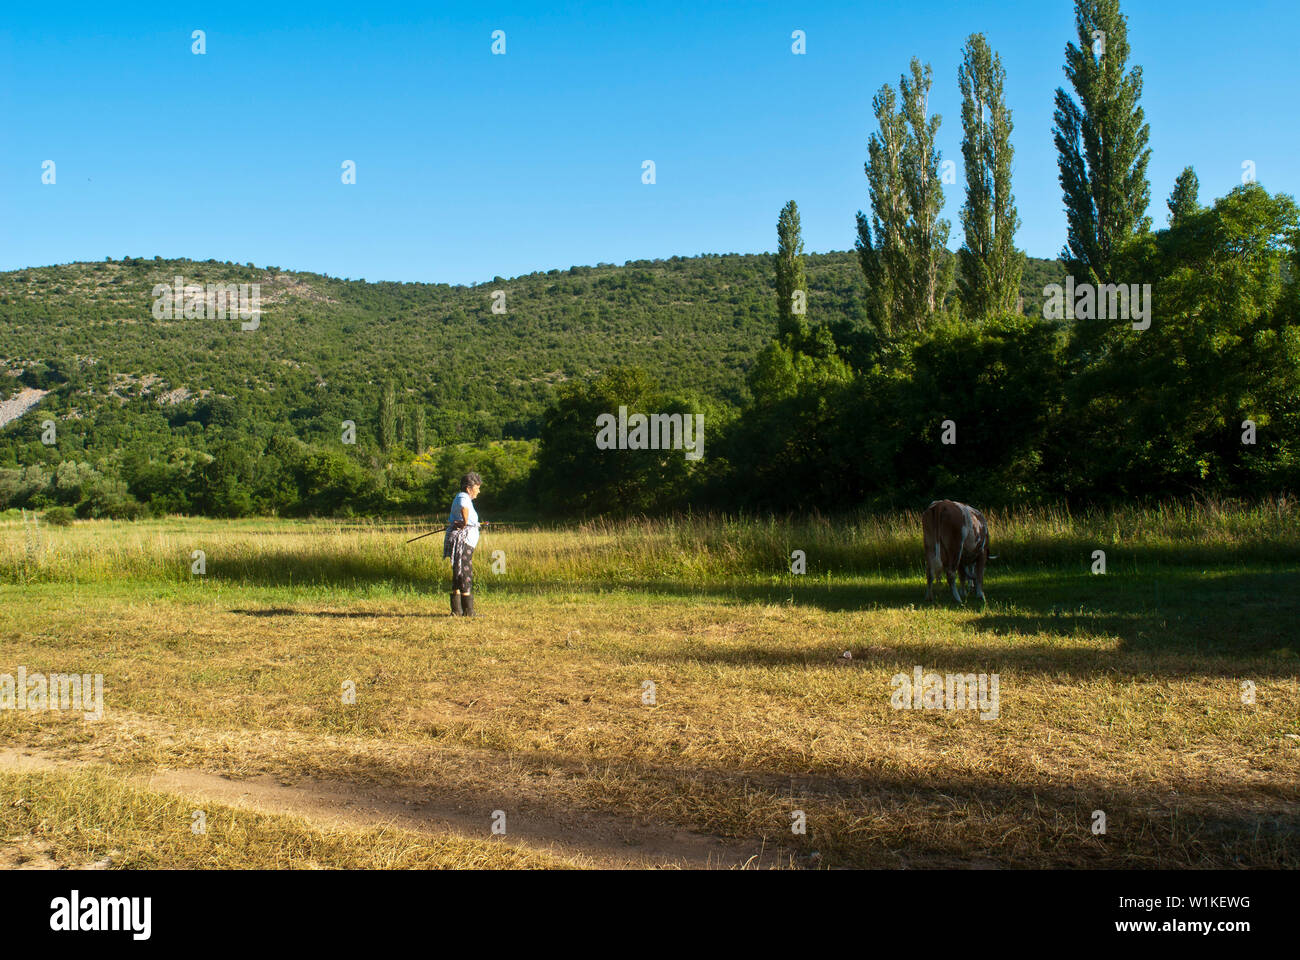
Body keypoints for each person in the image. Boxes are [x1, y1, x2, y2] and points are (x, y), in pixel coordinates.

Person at [443, 472, 487, 617]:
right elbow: (463, 507)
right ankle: (468, 611)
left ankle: (457, 610)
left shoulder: (462, 496)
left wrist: (471, 522)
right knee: (465, 570)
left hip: (461, 539)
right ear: (469, 488)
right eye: (477, 488)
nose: (479, 491)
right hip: (463, 540)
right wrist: (466, 522)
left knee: (458, 570)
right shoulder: (463, 497)